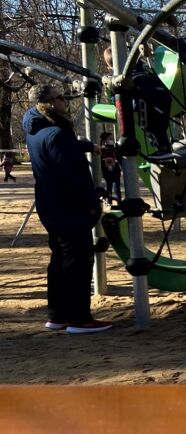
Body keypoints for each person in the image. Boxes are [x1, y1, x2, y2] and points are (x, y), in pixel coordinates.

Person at [22, 84, 112, 334]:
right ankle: (79, 319)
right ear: (50, 103)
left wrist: (88, 147)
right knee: (78, 261)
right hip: (70, 208)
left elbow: (58, 149)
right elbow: (73, 174)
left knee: (60, 258)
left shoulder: (36, 129)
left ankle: (57, 314)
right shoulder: (57, 133)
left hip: (50, 205)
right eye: (60, 98)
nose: (65, 101)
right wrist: (91, 203)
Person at [102, 47, 174, 162]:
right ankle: (165, 149)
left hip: (146, 100)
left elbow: (117, 99)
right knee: (159, 126)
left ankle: (164, 150)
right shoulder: (142, 69)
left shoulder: (122, 79)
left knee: (148, 125)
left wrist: (112, 92)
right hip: (164, 96)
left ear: (110, 67)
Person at [99, 132, 121, 200]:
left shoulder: (115, 149)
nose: (112, 140)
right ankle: (109, 202)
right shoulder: (101, 150)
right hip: (107, 172)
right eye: (110, 138)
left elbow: (118, 158)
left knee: (116, 188)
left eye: (112, 138)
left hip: (115, 171)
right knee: (108, 188)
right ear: (104, 140)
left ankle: (119, 202)